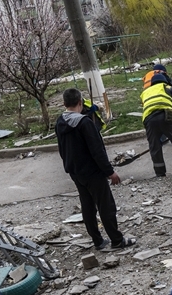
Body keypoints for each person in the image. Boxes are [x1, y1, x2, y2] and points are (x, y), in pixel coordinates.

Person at [55, 88, 136, 252]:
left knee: (87, 206)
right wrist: (109, 171)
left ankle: (97, 241)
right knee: (106, 206)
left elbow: (62, 149)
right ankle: (117, 240)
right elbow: (97, 151)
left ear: (64, 104)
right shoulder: (85, 123)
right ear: (80, 102)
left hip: (75, 172)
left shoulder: (60, 122)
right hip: (92, 172)